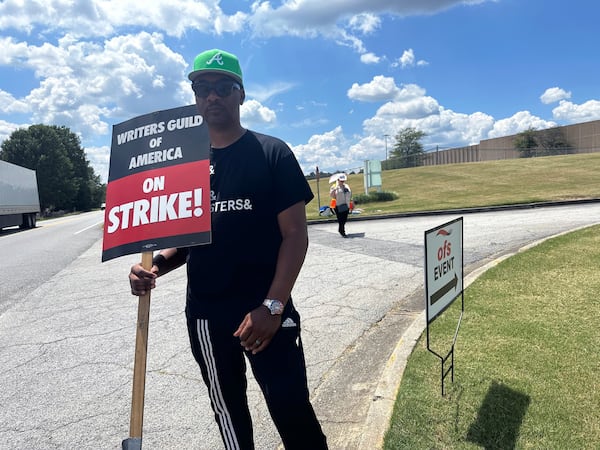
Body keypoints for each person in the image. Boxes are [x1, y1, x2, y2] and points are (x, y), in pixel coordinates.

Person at [129, 49, 328, 450]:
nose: (212, 96)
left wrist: (272, 307)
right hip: (207, 315)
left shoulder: (273, 153)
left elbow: (295, 236)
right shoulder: (185, 167)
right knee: (229, 414)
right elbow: (190, 240)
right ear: (195, 97)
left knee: (292, 409)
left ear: (241, 94)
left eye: (223, 87)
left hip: (268, 312)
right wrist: (154, 267)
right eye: (202, 88)